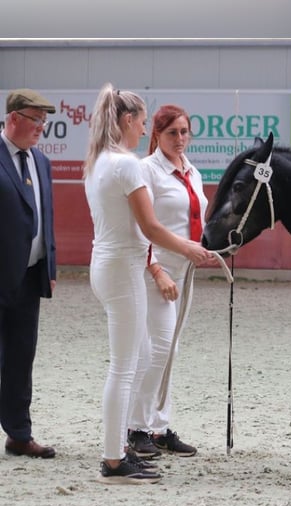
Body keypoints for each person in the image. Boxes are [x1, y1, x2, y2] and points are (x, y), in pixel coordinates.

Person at [84, 84, 213, 484]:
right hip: (124, 269)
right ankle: (113, 460)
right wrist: (190, 249)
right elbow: (151, 226)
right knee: (125, 367)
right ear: (127, 121)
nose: (143, 131)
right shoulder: (127, 165)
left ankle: (122, 448)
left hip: (108, 264)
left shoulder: (99, 161)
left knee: (137, 360)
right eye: (142, 123)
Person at [126, 105, 207, 459]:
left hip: (185, 273)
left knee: (170, 351)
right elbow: (138, 228)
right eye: (172, 132)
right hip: (154, 272)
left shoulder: (193, 172)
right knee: (156, 350)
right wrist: (156, 270)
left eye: (185, 132)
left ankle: (159, 427)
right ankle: (135, 428)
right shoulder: (146, 171)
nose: (180, 139)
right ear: (156, 134)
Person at [0, 89, 57, 459]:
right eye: (36, 120)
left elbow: (46, 217)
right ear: (14, 119)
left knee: (22, 357)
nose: (41, 128)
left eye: (44, 122)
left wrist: (49, 265)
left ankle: (19, 434)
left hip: (30, 275)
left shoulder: (41, 161)